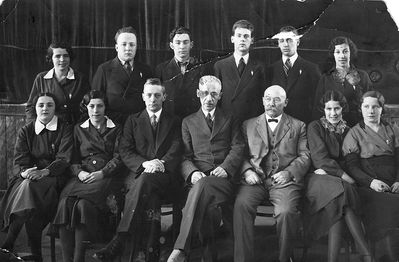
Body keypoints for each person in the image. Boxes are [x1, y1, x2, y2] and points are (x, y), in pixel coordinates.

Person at [93, 78, 182, 262]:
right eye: (149, 95)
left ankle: (120, 238)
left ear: (164, 97)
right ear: (143, 97)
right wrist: (145, 164)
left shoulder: (174, 121)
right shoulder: (132, 120)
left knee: (146, 182)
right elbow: (125, 150)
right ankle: (151, 251)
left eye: (157, 95)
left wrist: (161, 163)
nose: (153, 99)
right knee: (149, 192)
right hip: (140, 174)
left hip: (165, 176)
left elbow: (177, 147)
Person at [167, 75, 244, 262]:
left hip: (223, 180)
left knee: (203, 188)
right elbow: (184, 156)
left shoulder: (231, 118)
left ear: (220, 96)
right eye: (204, 93)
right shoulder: (188, 121)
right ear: (197, 94)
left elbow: (238, 147)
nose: (208, 99)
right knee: (208, 208)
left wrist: (226, 168)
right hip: (197, 180)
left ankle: (181, 249)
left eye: (214, 94)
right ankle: (209, 257)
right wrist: (192, 173)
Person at [233, 85, 310, 262]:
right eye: (267, 98)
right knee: (241, 206)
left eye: (277, 99)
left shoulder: (299, 126)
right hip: (255, 180)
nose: (271, 103)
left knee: (286, 212)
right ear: (262, 101)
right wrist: (247, 171)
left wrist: (289, 173)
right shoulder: (248, 124)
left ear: (286, 102)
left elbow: (305, 155)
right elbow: (239, 153)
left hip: (284, 182)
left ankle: (284, 258)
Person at [52, 90, 124, 262]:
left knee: (79, 203)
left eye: (100, 106)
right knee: (67, 202)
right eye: (91, 106)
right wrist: (79, 172)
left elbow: (119, 156)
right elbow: (72, 157)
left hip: (106, 177)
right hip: (82, 176)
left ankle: (78, 259)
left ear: (105, 107)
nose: (96, 110)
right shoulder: (78, 129)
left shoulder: (117, 128)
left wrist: (103, 173)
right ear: (86, 107)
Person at [0, 92, 73, 261]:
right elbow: (20, 159)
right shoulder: (26, 130)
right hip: (30, 177)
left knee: (28, 187)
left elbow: (64, 159)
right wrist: (25, 172)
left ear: (55, 108)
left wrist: (44, 172)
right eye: (41, 105)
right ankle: (36, 254)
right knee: (28, 188)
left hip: (54, 177)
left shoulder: (65, 128)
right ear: (35, 108)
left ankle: (9, 241)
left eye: (49, 105)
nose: (45, 108)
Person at [305, 90, 372, 262]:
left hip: (337, 179)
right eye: (329, 109)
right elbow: (320, 158)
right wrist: (343, 174)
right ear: (323, 110)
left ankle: (333, 259)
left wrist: (337, 172)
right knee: (343, 190)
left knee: (340, 202)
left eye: (336, 109)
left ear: (343, 109)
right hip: (317, 178)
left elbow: (350, 160)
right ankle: (366, 253)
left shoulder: (348, 129)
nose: (333, 113)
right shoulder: (315, 127)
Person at [343, 91, 399, 261]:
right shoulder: (354, 133)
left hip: (393, 181)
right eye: (366, 106)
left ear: (382, 109)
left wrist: (398, 180)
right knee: (387, 203)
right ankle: (387, 256)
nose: (371, 110)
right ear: (361, 108)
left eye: (375, 106)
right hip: (368, 184)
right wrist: (371, 182)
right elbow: (352, 167)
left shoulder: (392, 128)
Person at [92, 26, 153, 125]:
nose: (128, 48)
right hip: (112, 124)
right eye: (124, 44)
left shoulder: (146, 70)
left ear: (136, 47)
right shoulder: (104, 69)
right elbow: (96, 100)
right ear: (116, 47)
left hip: (139, 124)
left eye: (132, 45)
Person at [313, 36, 372, 127]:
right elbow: (318, 108)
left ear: (350, 53)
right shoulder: (325, 78)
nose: (342, 56)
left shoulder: (363, 76)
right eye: (338, 52)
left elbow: (370, 103)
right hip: (332, 128)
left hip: (357, 126)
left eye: (345, 51)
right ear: (333, 54)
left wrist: (356, 87)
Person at [267, 26, 321, 124]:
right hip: (277, 124)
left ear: (298, 42)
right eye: (282, 41)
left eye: (289, 40)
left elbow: (317, 102)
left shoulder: (311, 69)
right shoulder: (270, 69)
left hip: (303, 123)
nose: (286, 44)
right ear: (278, 44)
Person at [214, 19, 266, 122]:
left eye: (246, 36)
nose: (242, 39)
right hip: (227, 123)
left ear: (252, 40)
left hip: (251, 123)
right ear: (232, 39)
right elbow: (216, 99)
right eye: (239, 36)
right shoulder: (220, 66)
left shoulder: (260, 67)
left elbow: (263, 99)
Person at [26, 42, 89, 125]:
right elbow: (31, 107)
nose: (62, 60)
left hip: (74, 129)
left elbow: (88, 106)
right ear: (51, 58)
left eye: (66, 56)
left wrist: (80, 129)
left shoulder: (80, 79)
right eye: (57, 56)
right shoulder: (41, 78)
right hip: (49, 128)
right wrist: (34, 127)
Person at [155, 26, 207, 118]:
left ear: (191, 44)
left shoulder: (201, 68)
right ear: (171, 45)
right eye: (178, 43)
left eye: (185, 42)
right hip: (169, 121)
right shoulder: (161, 69)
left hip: (194, 121)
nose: (182, 46)